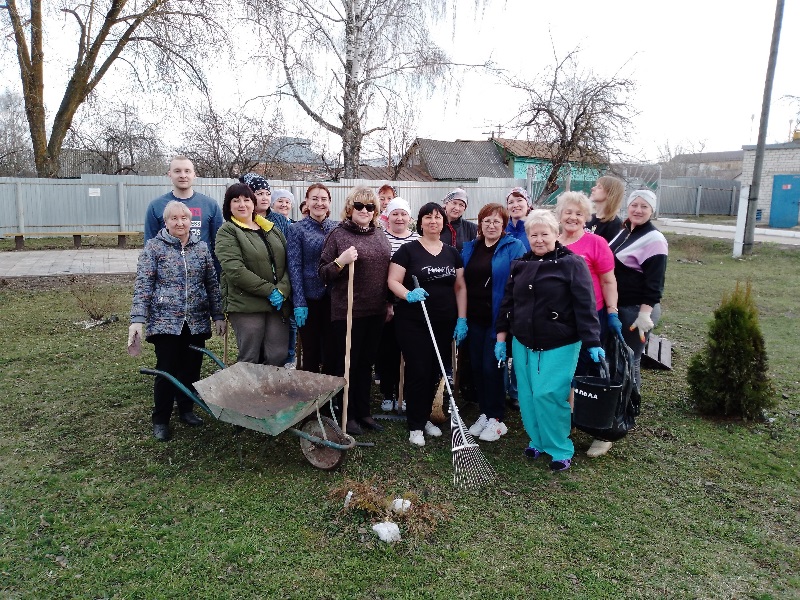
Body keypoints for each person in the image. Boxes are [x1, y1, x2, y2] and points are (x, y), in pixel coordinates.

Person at [495, 209, 604, 472]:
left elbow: (584, 305)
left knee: (549, 395)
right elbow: (508, 304)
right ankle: (538, 440)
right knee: (529, 395)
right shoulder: (519, 264)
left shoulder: (572, 264)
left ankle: (560, 447)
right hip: (523, 342)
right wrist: (501, 338)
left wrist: (592, 341)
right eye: (534, 234)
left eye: (545, 233)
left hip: (559, 342)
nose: (539, 239)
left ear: (557, 234)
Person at [130, 200, 225, 442]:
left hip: (196, 319)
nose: (179, 223)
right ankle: (160, 418)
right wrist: (137, 320)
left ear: (191, 222)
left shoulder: (201, 248)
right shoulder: (154, 248)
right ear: (166, 222)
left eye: (184, 218)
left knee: (192, 367)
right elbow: (143, 285)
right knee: (167, 370)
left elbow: (212, 284)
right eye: (174, 218)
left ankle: (186, 408)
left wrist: (217, 315)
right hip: (165, 321)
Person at [388, 202, 467, 447]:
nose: (433, 221)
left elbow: (460, 287)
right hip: (414, 322)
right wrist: (407, 294)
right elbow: (393, 281)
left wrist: (462, 318)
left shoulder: (452, 252)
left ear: (444, 222)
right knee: (419, 370)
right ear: (420, 222)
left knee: (436, 371)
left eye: (438, 217)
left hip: (444, 322)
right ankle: (415, 424)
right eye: (428, 217)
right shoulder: (408, 251)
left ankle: (425, 417)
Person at [319, 187, 392, 436]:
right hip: (348, 311)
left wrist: (389, 303)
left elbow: (386, 273)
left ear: (375, 211)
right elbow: (323, 272)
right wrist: (341, 261)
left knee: (365, 364)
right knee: (346, 365)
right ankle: (345, 414)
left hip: (375, 311)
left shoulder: (380, 235)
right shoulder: (338, 235)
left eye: (370, 207)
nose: (364, 211)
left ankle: (363, 412)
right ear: (350, 209)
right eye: (359, 206)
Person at [555, 191, 620, 458]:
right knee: (563, 375)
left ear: (586, 218)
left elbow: (608, 281)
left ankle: (601, 432)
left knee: (591, 375)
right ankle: (564, 425)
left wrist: (613, 312)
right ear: (559, 215)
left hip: (590, 320)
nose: (572, 217)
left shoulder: (596, 243)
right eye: (568, 212)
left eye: (579, 214)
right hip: (559, 323)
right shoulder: (551, 241)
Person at [461, 203, 525, 442]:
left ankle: (496, 418)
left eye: (496, 221)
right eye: (486, 221)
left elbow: (517, 284)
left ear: (504, 225)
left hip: (498, 319)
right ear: (480, 223)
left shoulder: (513, 247)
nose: (491, 225)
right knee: (477, 366)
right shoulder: (471, 248)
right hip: (474, 319)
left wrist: (507, 323)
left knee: (493, 368)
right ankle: (485, 413)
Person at [215, 182, 291, 366]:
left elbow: (289, 263)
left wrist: (281, 290)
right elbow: (235, 270)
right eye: (236, 200)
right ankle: (247, 393)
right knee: (250, 356)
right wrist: (269, 290)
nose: (242, 204)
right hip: (246, 303)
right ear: (229, 206)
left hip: (276, 304)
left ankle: (268, 393)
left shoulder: (271, 229)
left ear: (253, 203)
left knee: (277, 354)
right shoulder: (228, 231)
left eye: (246, 199)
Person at [609, 189, 668, 399]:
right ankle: (616, 403)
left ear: (652, 210)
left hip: (635, 310)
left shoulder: (654, 239)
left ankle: (628, 406)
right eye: (635, 205)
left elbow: (655, 282)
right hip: (619, 307)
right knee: (617, 358)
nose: (638, 210)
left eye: (644, 206)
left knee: (629, 359)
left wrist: (645, 314)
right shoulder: (626, 230)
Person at [287, 184, 338, 374]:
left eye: (323, 199)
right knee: (311, 350)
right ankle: (312, 395)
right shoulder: (297, 229)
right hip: (309, 298)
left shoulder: (337, 228)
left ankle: (329, 398)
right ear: (307, 202)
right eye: (314, 199)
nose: (319, 203)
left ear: (329, 203)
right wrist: (299, 301)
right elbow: (294, 265)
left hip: (333, 297)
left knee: (332, 348)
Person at [143, 155, 223, 274]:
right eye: (177, 171)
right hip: (168, 279)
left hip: (202, 278)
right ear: (169, 174)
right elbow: (149, 248)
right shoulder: (156, 206)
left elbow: (219, 245)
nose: (183, 175)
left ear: (194, 174)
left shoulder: (210, 205)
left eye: (187, 171)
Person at [377, 197, 420, 412]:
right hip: (385, 304)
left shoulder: (417, 240)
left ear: (410, 217)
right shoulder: (380, 238)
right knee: (387, 350)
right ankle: (388, 392)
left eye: (403, 214)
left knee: (409, 350)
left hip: (410, 304)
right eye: (395, 213)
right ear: (388, 217)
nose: (399, 218)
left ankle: (405, 392)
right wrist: (387, 303)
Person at [241, 173, 291, 240]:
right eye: (260, 194)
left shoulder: (280, 219)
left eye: (268, 194)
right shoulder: (243, 220)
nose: (265, 198)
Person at [587, 175, 625, 243]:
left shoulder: (615, 225)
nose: (593, 188)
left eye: (599, 187)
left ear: (610, 193)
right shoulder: (588, 218)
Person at [440, 187, 478, 252]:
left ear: (464, 209)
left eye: (461, 205)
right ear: (446, 203)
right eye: (454, 203)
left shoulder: (472, 228)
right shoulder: (436, 225)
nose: (457, 208)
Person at [505, 186, 532, 251]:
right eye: (511, 202)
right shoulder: (502, 229)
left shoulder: (536, 227)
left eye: (519, 200)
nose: (515, 205)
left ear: (528, 205)